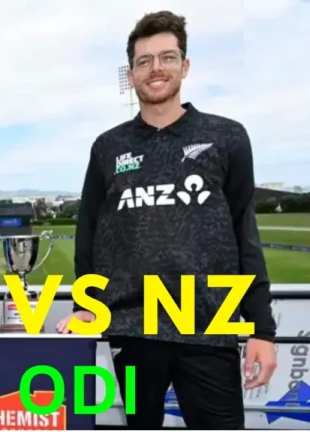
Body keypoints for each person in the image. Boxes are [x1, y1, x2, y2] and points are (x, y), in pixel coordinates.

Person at [56, 11, 277, 430]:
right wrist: (86, 305)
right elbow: (89, 234)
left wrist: (262, 331)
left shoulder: (227, 136)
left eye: (167, 57)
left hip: (211, 325)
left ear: (185, 66)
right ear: (132, 74)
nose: (156, 69)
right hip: (135, 330)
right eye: (144, 61)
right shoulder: (108, 146)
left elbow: (244, 233)